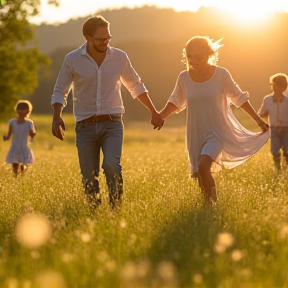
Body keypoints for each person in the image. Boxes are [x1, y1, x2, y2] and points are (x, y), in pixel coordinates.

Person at [51, 15, 163, 209]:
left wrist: (154, 111)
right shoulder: (72, 59)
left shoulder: (119, 57)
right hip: (85, 126)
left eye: (108, 38)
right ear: (87, 37)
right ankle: (95, 215)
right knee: (89, 176)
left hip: (112, 122)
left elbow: (135, 85)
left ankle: (115, 210)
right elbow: (61, 89)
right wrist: (56, 116)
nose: (106, 42)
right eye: (101, 39)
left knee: (111, 166)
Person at [157, 36, 269, 205]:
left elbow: (239, 98)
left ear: (209, 54)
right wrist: (161, 116)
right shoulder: (184, 78)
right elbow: (175, 100)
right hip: (195, 132)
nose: (194, 61)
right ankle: (207, 208)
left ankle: (213, 204)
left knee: (203, 166)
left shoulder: (221, 74)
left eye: (199, 57)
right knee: (199, 175)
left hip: (217, 131)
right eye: (190, 57)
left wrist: (258, 121)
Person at [258, 73, 288, 170]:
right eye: (274, 86)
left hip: (286, 128)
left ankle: (286, 167)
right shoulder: (267, 100)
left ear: (284, 88)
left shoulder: (287, 101)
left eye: (279, 86)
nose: (276, 88)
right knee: (274, 150)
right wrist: (264, 115)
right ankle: (277, 168)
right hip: (274, 129)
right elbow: (262, 113)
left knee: (287, 149)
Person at [3, 100, 36, 177]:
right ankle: (15, 175)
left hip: (24, 145)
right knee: (15, 161)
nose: (21, 111)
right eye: (20, 109)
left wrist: (33, 135)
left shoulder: (29, 123)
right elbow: (9, 133)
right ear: (17, 110)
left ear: (28, 111)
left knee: (25, 161)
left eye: (24, 109)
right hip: (15, 145)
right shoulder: (12, 122)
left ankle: (23, 172)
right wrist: (6, 137)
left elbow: (32, 132)